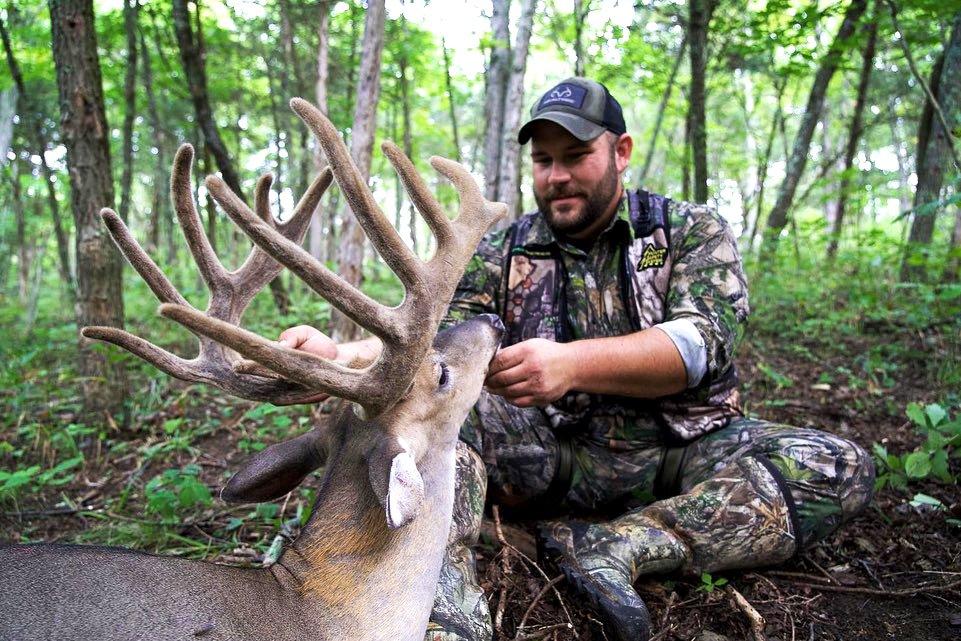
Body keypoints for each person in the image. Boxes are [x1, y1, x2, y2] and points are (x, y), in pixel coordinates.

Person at [279, 77, 875, 641]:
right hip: (542, 458)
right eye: (543, 161)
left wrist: (570, 364)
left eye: (575, 155)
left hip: (676, 456)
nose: (557, 176)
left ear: (620, 151)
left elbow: (702, 344)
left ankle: (621, 546)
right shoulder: (503, 248)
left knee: (835, 465)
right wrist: (342, 357)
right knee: (436, 430)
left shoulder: (688, 232)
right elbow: (436, 347)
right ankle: (447, 609)